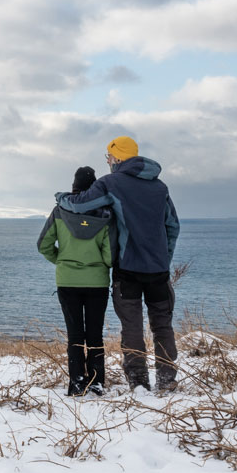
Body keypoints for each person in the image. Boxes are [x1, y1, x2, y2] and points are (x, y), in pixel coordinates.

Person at [56, 136, 180, 394]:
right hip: (159, 270)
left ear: (117, 158)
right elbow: (173, 227)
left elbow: (80, 205)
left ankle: (138, 383)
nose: (108, 162)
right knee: (162, 326)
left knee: (132, 327)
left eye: (109, 157)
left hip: (128, 270)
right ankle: (167, 380)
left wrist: (60, 197)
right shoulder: (160, 187)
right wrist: (164, 258)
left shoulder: (111, 183)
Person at [37, 166, 114, 396]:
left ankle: (77, 383)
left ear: (74, 186)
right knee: (95, 334)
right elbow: (111, 255)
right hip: (97, 282)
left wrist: (62, 260)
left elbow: (43, 245)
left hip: (67, 281)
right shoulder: (106, 213)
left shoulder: (59, 211)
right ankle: (97, 382)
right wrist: (97, 264)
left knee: (75, 334)